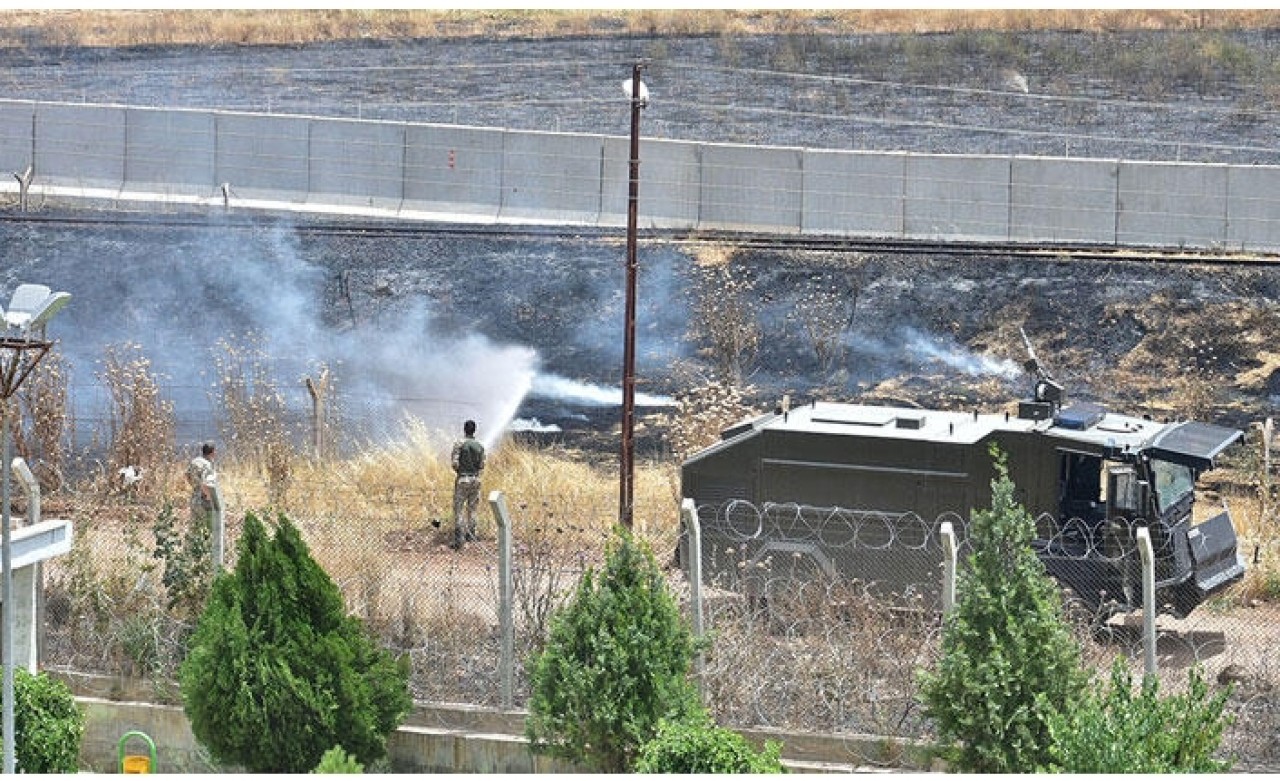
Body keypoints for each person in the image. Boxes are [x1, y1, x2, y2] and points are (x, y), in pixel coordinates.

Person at [450, 420, 486, 550]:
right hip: (476, 480)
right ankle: (472, 536)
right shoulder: (480, 445)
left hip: (463, 479)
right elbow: (482, 465)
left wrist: (461, 472)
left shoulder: (459, 444)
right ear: (474, 430)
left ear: (464, 429)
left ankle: (459, 540)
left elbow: (454, 464)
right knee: (473, 509)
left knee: (458, 509)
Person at [187, 442, 218, 526]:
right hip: (204, 500)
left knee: (194, 526)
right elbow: (206, 483)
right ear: (212, 452)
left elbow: (188, 475)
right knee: (206, 527)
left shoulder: (195, 461)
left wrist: (195, 486)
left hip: (194, 498)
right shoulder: (208, 465)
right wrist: (209, 497)